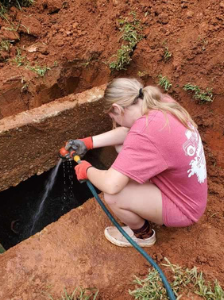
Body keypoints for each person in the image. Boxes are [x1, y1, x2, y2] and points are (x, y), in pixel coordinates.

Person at [65, 78, 207, 247]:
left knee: (114, 196)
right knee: (121, 147)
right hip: (189, 191)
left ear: (117, 108)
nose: (115, 122)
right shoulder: (160, 102)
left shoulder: (144, 133)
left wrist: (86, 170)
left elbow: (111, 185)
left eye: (113, 117)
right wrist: (88, 142)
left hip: (184, 208)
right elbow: (128, 132)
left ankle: (142, 235)